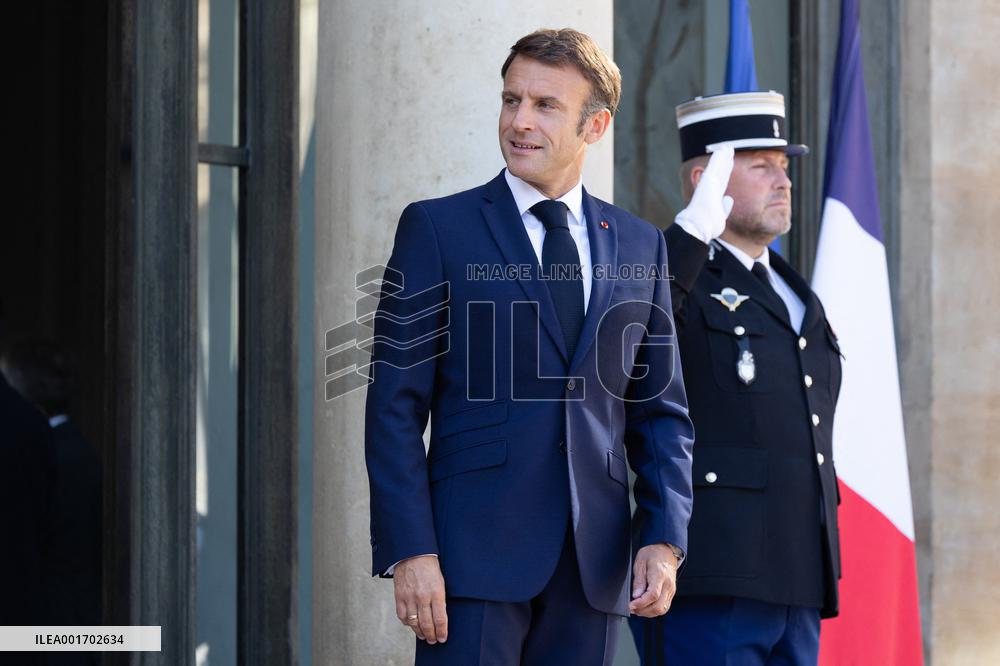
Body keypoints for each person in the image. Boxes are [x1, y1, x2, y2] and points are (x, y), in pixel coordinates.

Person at [364, 28, 694, 664]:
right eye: (511, 100)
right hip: (468, 564)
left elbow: (661, 413)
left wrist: (663, 537)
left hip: (594, 567)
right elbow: (393, 409)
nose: (519, 121)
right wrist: (411, 549)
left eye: (545, 105)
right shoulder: (437, 229)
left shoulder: (639, 244)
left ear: (595, 125)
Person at [629, 91, 843, 665]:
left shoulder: (794, 291)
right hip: (711, 572)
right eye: (760, 166)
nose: (783, 180)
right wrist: (692, 231)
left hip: (798, 578)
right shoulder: (677, 272)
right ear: (706, 180)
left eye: (783, 166)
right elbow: (631, 336)